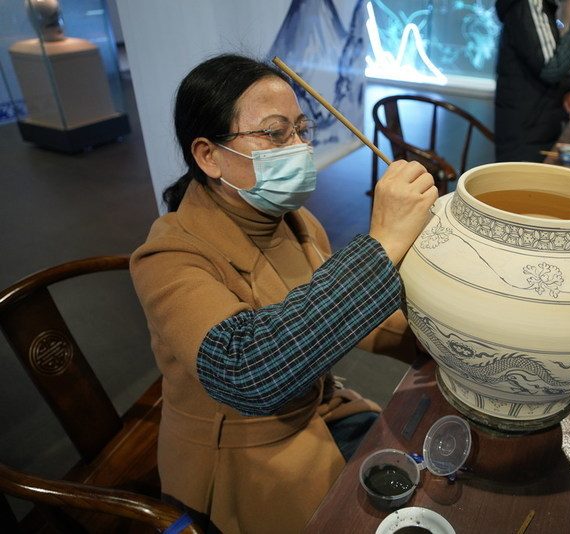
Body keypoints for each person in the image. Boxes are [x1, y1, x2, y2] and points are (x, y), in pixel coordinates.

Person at [130, 54, 437, 533]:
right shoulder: (168, 256)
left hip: (318, 412)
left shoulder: (295, 221)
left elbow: (355, 315)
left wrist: (445, 346)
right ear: (208, 155)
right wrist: (384, 244)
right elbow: (249, 370)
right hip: (241, 458)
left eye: (300, 129)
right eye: (275, 134)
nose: (298, 147)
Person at [494, 0, 570, 162]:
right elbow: (550, 67)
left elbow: (538, 57)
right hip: (528, 132)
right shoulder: (529, 4)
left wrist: (566, 90)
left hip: (533, 125)